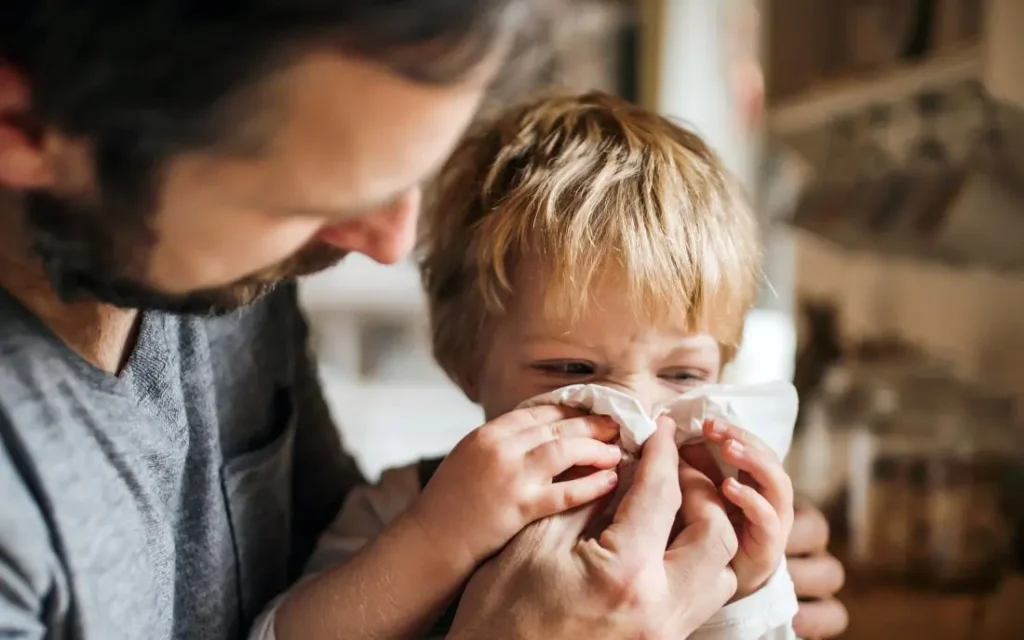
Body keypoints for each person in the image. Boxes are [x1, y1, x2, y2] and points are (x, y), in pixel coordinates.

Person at [0, 2, 846, 638]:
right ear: (28, 129)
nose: (388, 244)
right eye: (315, 195)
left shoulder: (230, 272)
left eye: (686, 374)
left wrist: (758, 584)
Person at [264, 91, 801, 640]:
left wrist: (749, 591)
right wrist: (437, 539)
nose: (638, 416)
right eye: (571, 370)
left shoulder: (706, 524)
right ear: (466, 362)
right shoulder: (414, 506)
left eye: (683, 375)